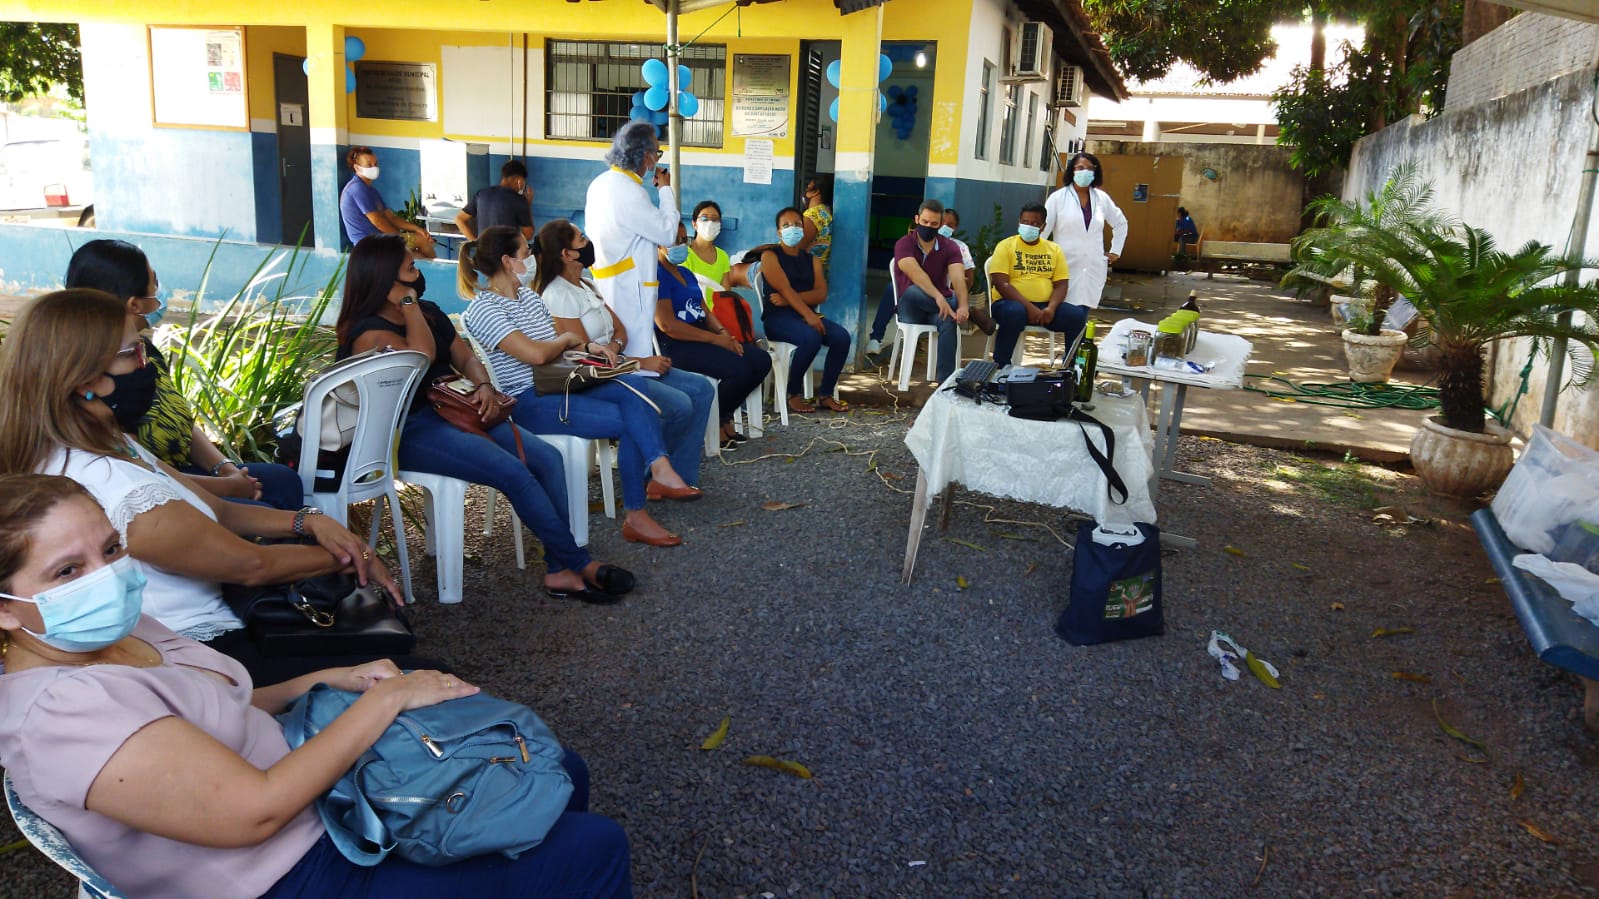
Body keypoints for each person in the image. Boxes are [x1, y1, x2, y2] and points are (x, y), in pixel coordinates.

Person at [0, 472, 632, 899]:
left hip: (324, 808)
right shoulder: (61, 713)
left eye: (111, 550)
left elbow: (218, 707)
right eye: (67, 571)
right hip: (288, 874)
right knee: (593, 848)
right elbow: (254, 813)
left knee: (557, 770)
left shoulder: (117, 630)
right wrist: (387, 699)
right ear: (5, 608)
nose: (106, 576)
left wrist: (327, 678)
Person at [0, 288, 436, 686]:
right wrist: (352, 556)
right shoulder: (110, 484)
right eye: (132, 352)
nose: (146, 363)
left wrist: (308, 521)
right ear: (83, 379)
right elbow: (251, 565)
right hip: (203, 653)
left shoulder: (107, 441)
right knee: (419, 673)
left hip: (214, 626)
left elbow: (215, 507)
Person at [339, 235, 636, 601]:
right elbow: (421, 357)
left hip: (460, 408)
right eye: (410, 268)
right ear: (386, 280)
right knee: (512, 471)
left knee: (547, 458)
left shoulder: (429, 312)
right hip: (412, 429)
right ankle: (580, 563)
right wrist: (409, 303)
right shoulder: (369, 332)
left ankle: (560, 569)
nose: (418, 273)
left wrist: (483, 387)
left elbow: (465, 357)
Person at [461, 225, 701, 549]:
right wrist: (568, 340)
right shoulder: (484, 308)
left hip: (562, 382)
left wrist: (587, 348)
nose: (532, 258)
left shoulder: (528, 297)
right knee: (632, 419)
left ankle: (658, 471)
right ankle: (639, 510)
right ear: (507, 261)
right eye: (525, 253)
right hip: (528, 399)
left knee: (632, 389)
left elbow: (556, 347)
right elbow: (535, 354)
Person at [64, 239, 305, 511]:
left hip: (182, 474)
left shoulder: (143, 350)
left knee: (283, 481)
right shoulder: (99, 385)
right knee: (261, 511)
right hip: (150, 491)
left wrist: (225, 468)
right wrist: (229, 487)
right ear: (133, 305)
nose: (159, 291)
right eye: (154, 282)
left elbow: (178, 419)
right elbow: (143, 471)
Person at [535, 220, 712, 495]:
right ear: (567, 254)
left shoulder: (586, 283)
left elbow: (619, 329)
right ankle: (653, 475)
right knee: (679, 405)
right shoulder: (557, 294)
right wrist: (639, 363)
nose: (588, 243)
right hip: (597, 379)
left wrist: (615, 348)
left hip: (618, 365)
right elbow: (583, 355)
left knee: (702, 388)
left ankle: (677, 475)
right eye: (581, 239)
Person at [656, 223, 771, 450]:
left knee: (760, 360)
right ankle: (713, 423)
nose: (681, 245)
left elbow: (704, 310)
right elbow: (668, 325)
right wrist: (715, 340)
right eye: (674, 240)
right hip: (677, 343)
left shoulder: (685, 273)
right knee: (739, 369)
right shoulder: (655, 275)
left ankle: (721, 415)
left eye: (684, 240)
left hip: (702, 334)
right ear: (659, 243)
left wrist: (723, 333)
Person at [583, 122, 677, 361]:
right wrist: (665, 190)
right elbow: (667, 234)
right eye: (657, 153)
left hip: (607, 280)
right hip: (629, 288)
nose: (657, 159)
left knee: (613, 349)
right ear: (646, 157)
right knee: (634, 357)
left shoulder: (599, 183)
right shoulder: (631, 192)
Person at [759, 207, 852, 413]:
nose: (792, 228)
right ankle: (793, 394)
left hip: (803, 316)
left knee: (841, 337)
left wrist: (788, 301)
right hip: (777, 318)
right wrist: (807, 313)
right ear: (779, 232)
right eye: (786, 225)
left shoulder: (812, 260)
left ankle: (825, 395)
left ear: (803, 228)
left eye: (797, 224)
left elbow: (821, 294)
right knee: (811, 337)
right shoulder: (770, 256)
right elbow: (784, 287)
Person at [989, 202, 1084, 365]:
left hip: (1045, 308)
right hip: (1008, 304)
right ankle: (1001, 365)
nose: (1028, 226)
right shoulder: (1005, 246)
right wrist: (1029, 307)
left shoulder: (1054, 249)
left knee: (1077, 315)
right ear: (1019, 222)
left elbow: (1061, 284)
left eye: (1034, 223)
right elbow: (1001, 283)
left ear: (1043, 226)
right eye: (1025, 222)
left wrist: (1051, 308)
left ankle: (1073, 367)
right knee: (1014, 312)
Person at [890, 198, 970, 383]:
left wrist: (964, 305)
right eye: (925, 222)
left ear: (940, 224)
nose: (928, 226)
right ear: (917, 219)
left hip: (938, 310)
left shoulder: (950, 247)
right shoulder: (904, 243)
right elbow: (915, 273)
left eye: (934, 224)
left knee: (948, 321)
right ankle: (952, 307)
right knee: (912, 291)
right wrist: (939, 298)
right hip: (911, 309)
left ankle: (945, 383)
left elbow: (958, 277)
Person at [1040, 152, 1127, 309]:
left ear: (1095, 172)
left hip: (1093, 265)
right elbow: (1043, 230)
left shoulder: (1101, 198)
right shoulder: (1057, 198)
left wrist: (1115, 251)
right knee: (1063, 310)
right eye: (1080, 168)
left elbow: (1120, 223)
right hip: (1064, 264)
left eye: (1089, 168)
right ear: (1072, 170)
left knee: (1084, 309)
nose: (1085, 172)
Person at [339, 146, 436, 259]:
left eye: (375, 164)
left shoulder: (371, 190)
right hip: (370, 246)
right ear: (357, 167)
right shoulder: (357, 189)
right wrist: (398, 238)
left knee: (419, 254)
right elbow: (378, 222)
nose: (374, 167)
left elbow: (391, 217)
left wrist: (417, 229)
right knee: (421, 242)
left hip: (381, 241)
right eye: (369, 165)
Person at [938, 207, 993, 335]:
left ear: (955, 228)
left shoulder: (960, 247)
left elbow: (969, 279)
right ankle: (970, 311)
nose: (944, 227)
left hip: (952, 292)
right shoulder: (927, 244)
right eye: (941, 223)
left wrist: (957, 289)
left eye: (950, 225)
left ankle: (963, 308)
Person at [455, 159, 535, 242]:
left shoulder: (481, 194)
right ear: (519, 181)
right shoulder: (518, 200)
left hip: (483, 249)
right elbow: (528, 235)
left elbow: (459, 219)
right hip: (507, 249)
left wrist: (475, 242)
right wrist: (528, 204)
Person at [797, 174, 833, 272]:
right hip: (820, 269)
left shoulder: (812, 215)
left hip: (807, 269)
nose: (805, 192)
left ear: (816, 191)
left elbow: (797, 247)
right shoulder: (826, 212)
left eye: (808, 188)